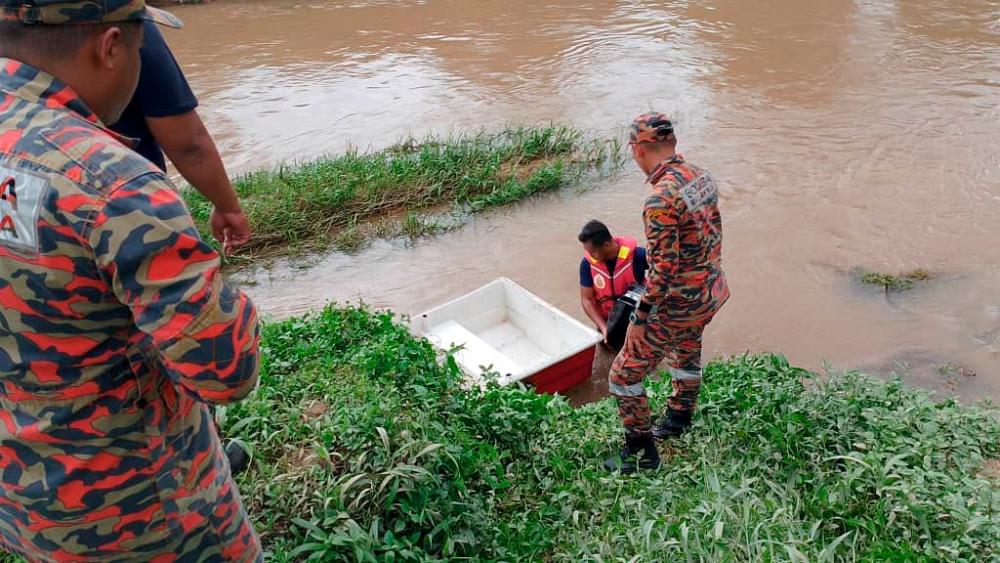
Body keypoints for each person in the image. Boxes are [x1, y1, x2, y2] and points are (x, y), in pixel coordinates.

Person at [0, 2, 263, 560]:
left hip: (20, 500)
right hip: (141, 513)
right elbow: (226, 369)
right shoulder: (114, 185)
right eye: (142, 52)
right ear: (111, 47)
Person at [604, 113, 730, 473]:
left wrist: (640, 317)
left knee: (623, 376)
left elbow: (662, 269)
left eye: (631, 149)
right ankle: (678, 416)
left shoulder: (659, 199)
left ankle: (642, 454)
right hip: (711, 291)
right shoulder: (700, 176)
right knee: (686, 347)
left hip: (679, 302)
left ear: (639, 147)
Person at [110, 20, 250, 253]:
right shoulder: (126, 22)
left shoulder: (27, 30)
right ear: (107, 46)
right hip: (132, 218)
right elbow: (188, 144)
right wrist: (229, 208)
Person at [578, 219, 647, 342]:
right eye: (588, 251)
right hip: (607, 322)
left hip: (636, 320)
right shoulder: (587, 265)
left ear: (606, 245)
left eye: (593, 251)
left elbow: (664, 273)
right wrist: (604, 328)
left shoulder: (638, 256)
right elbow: (586, 300)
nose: (590, 255)